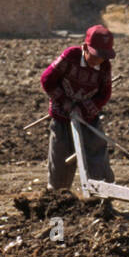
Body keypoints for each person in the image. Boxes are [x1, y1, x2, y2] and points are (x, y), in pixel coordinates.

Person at [40, 24, 115, 191]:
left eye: (103, 56)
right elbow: (46, 80)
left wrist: (84, 108)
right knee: (60, 159)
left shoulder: (104, 66)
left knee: (97, 157)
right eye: (95, 56)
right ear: (85, 47)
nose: (99, 60)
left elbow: (104, 95)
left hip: (88, 118)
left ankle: (101, 195)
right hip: (62, 116)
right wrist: (65, 101)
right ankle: (58, 197)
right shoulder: (70, 57)